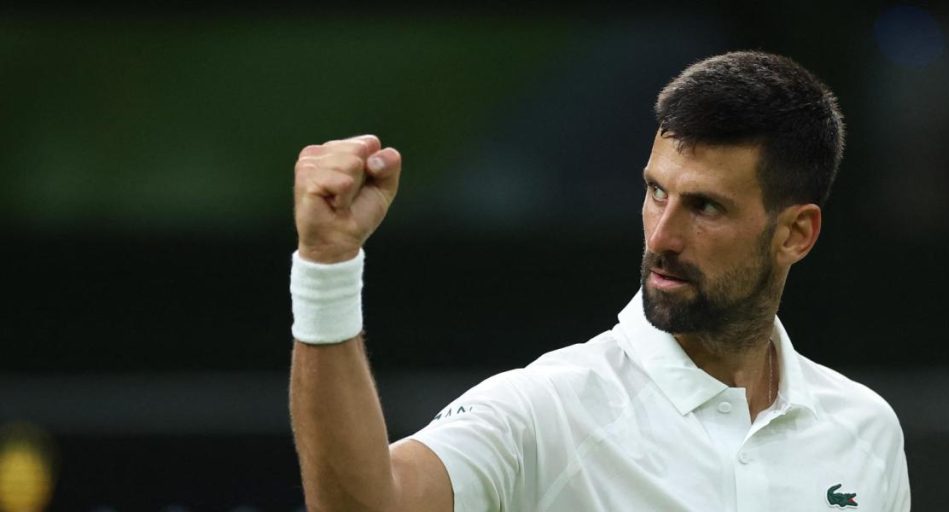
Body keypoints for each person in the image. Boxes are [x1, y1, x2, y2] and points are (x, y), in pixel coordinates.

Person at [288, 51, 911, 512]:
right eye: (656, 192)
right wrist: (326, 267)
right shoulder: (545, 411)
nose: (662, 236)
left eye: (705, 207)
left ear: (795, 233)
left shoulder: (866, 430)